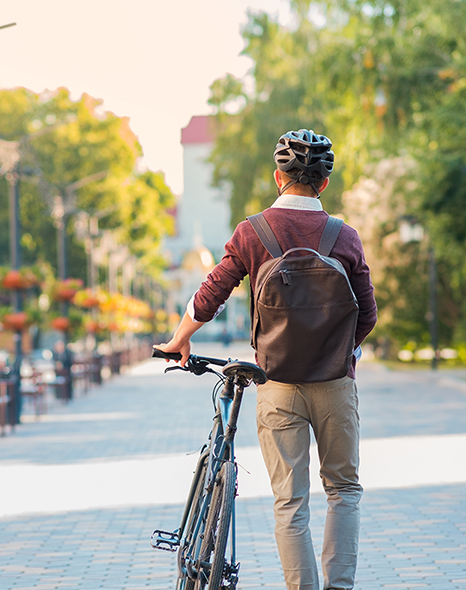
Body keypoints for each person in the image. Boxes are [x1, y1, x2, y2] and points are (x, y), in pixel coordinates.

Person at [156, 129, 377, 590]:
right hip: (336, 384)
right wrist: (339, 353)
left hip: (275, 385)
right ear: (325, 184)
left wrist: (181, 339)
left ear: (278, 178)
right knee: (343, 491)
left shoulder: (252, 233)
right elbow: (367, 315)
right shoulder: (345, 237)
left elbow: (211, 293)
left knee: (290, 502)